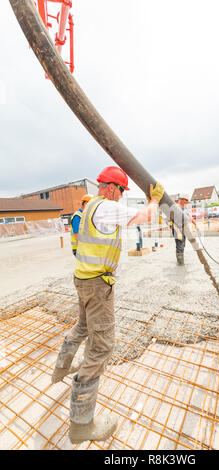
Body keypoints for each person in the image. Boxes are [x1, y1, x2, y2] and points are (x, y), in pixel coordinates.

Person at [51, 166, 164, 444]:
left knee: (84, 326)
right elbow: (147, 217)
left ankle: (62, 368)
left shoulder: (89, 208)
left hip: (82, 279)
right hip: (98, 286)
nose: (122, 197)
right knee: (102, 347)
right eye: (122, 191)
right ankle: (81, 425)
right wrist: (155, 199)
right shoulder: (106, 207)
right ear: (112, 188)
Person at [170, 193, 195, 266]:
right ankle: (180, 264)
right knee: (179, 245)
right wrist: (176, 230)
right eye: (186, 200)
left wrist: (194, 223)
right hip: (177, 229)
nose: (187, 202)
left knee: (183, 244)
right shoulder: (175, 208)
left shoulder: (185, 208)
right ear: (183, 199)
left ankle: (180, 261)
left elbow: (189, 216)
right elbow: (170, 220)